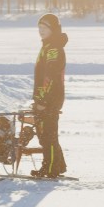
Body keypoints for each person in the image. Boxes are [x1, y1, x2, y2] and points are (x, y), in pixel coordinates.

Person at [30, 12, 68, 178]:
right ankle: (58, 165)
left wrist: (43, 100)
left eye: (45, 27)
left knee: (48, 135)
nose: (41, 30)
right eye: (39, 27)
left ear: (53, 29)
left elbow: (50, 75)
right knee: (46, 133)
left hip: (50, 98)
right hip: (45, 97)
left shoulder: (53, 48)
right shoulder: (47, 46)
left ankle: (50, 168)